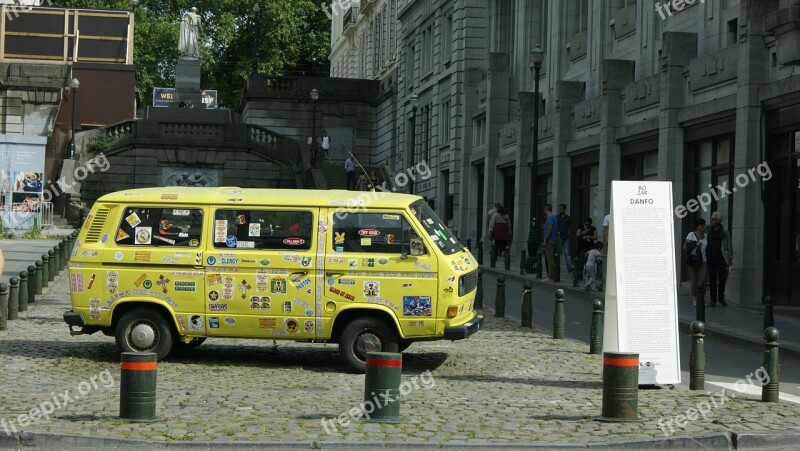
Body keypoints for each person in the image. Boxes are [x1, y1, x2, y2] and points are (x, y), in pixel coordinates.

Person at [706, 211, 731, 306]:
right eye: (711, 218)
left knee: (721, 278)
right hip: (710, 258)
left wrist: (729, 258)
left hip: (721, 258)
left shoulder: (724, 231)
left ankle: (721, 298)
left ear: (718, 221)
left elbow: (729, 246)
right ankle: (713, 299)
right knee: (712, 279)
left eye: (714, 219)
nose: (711, 220)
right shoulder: (708, 229)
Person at [683, 218, 708, 307]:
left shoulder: (705, 235)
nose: (703, 227)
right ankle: (695, 299)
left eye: (704, 225)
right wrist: (695, 244)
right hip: (692, 261)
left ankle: (701, 299)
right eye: (701, 225)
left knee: (703, 280)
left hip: (703, 260)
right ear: (697, 226)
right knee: (694, 280)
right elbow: (685, 247)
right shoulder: (691, 235)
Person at [575, 217, 597, 283]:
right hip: (582, 247)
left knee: (589, 261)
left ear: (590, 224)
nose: (587, 226)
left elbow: (596, 237)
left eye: (588, 225)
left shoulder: (593, 228)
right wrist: (582, 233)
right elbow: (577, 235)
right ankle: (580, 274)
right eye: (586, 224)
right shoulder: (581, 227)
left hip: (590, 247)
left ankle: (588, 275)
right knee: (581, 261)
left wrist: (590, 236)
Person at [542, 204, 559, 282]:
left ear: (546, 209)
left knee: (550, 259)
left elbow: (549, 228)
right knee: (550, 259)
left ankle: (550, 276)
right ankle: (552, 275)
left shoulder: (550, 217)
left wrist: (545, 240)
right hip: (552, 240)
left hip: (550, 241)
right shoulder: (553, 217)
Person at [557, 203, 574, 272]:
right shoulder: (556, 217)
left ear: (564, 209)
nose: (560, 209)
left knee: (567, 253)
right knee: (557, 253)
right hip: (558, 237)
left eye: (561, 208)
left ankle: (570, 267)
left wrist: (571, 236)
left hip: (566, 237)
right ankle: (556, 268)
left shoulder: (568, 218)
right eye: (559, 208)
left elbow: (570, 227)